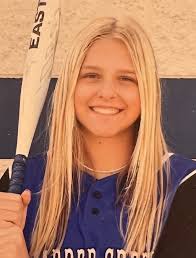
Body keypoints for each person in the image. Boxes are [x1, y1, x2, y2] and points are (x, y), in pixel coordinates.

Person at [1, 16, 196, 258]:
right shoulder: (20, 185)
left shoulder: (184, 185)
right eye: (91, 75)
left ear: (146, 91)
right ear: (70, 86)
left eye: (126, 79)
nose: (106, 92)